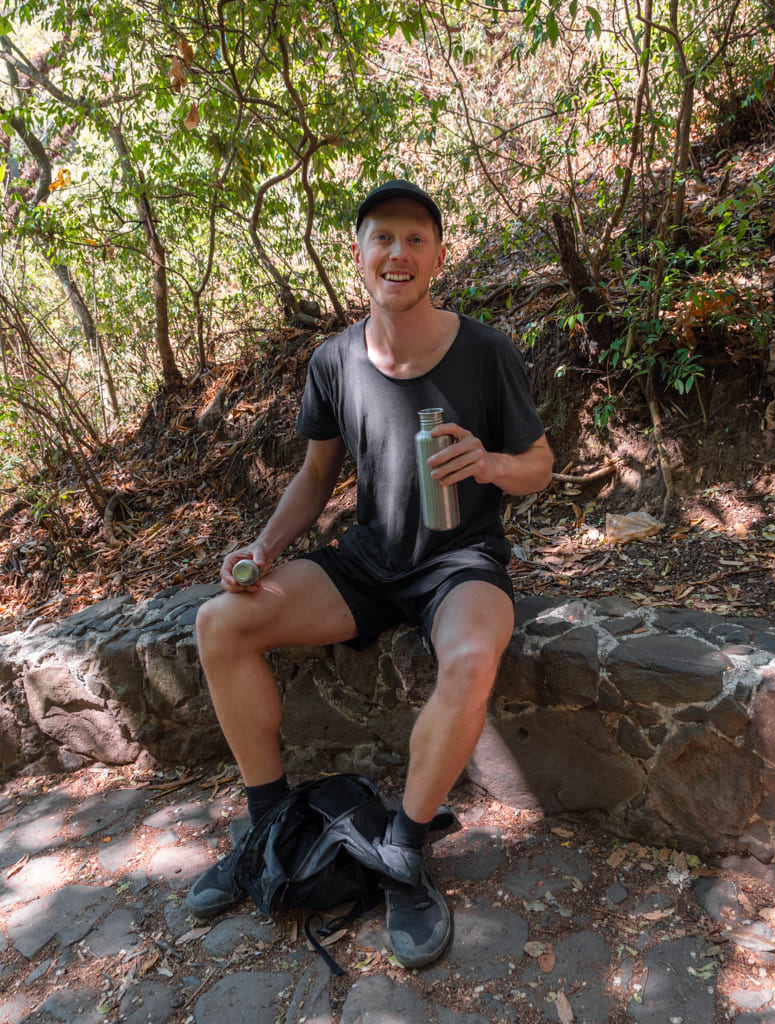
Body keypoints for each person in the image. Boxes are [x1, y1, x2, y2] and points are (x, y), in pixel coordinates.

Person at [186, 179, 554, 968]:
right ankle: (271, 825)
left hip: (461, 563)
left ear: (438, 258)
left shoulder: (486, 351)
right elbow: (316, 477)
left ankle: (404, 850)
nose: (398, 252)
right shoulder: (333, 360)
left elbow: (539, 465)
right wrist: (262, 551)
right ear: (358, 255)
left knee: (469, 659)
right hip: (366, 562)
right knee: (220, 622)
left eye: (415, 239)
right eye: (382, 238)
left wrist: (488, 460)